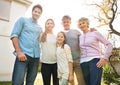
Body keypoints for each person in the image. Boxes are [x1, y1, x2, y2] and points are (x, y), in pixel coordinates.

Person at [10, 4, 43, 85]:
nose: (37, 13)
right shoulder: (23, 20)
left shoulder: (40, 28)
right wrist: (19, 52)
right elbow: (14, 35)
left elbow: (40, 41)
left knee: (30, 82)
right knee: (17, 82)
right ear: (32, 12)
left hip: (35, 57)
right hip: (23, 55)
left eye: (39, 12)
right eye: (35, 11)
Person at [78, 17, 113, 85]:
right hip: (83, 63)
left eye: (83, 23)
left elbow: (109, 45)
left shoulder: (95, 33)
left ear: (87, 24)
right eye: (80, 24)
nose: (82, 25)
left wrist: (104, 58)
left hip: (95, 61)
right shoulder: (80, 37)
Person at [61, 15, 85, 85]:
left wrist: (91, 31)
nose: (66, 23)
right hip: (67, 63)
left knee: (81, 81)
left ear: (70, 22)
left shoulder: (76, 32)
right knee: (71, 81)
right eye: (64, 22)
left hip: (78, 61)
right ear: (62, 23)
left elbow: (85, 39)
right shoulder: (61, 34)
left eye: (67, 22)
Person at [40, 19, 59, 85]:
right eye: (48, 23)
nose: (49, 24)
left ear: (53, 25)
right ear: (45, 25)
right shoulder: (42, 35)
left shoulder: (56, 37)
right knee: (46, 83)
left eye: (51, 23)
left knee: (56, 83)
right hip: (45, 64)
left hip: (55, 63)